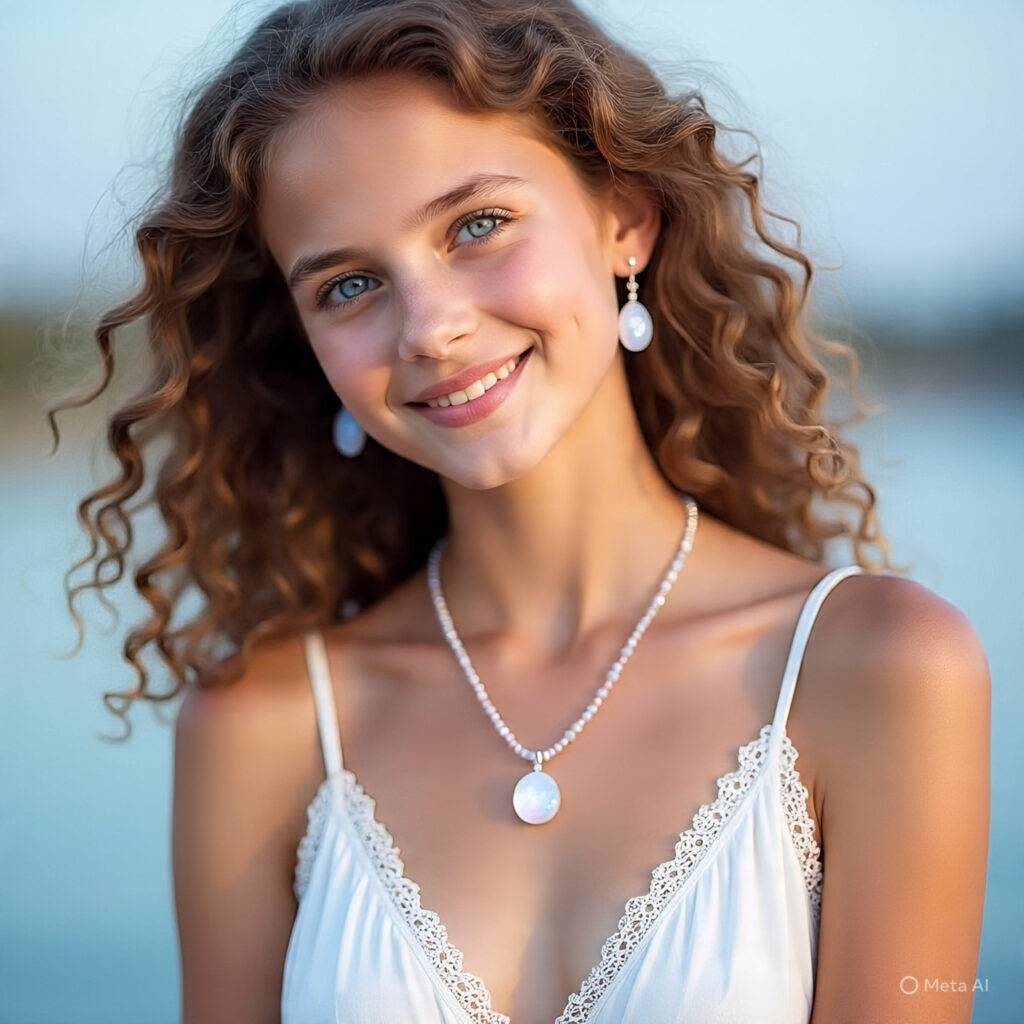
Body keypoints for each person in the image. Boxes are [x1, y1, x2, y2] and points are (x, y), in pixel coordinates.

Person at [59, 0, 990, 1021]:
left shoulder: (878, 668)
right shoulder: (260, 725)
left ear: (624, 220)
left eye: (477, 225)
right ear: (303, 337)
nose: (431, 328)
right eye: (350, 283)